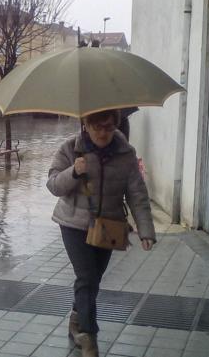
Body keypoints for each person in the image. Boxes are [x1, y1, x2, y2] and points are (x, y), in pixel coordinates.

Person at [46, 109, 156, 357]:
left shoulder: (125, 154)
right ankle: (88, 335)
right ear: (86, 124)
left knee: (93, 280)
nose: (103, 133)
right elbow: (53, 185)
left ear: (116, 124)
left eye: (108, 127)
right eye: (97, 127)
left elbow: (137, 194)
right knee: (86, 277)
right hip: (74, 224)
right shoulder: (70, 149)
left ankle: (76, 319)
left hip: (108, 227)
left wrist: (146, 230)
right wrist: (74, 171)